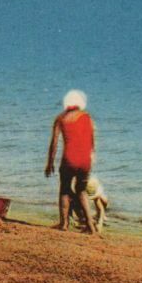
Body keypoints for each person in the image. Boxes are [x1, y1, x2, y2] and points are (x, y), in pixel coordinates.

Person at [45, 90, 97, 233]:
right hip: (85, 160)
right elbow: (92, 141)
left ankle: (64, 224)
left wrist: (50, 163)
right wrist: (91, 158)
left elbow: (54, 143)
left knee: (64, 189)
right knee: (81, 191)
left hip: (69, 159)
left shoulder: (61, 118)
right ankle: (91, 226)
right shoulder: (87, 117)